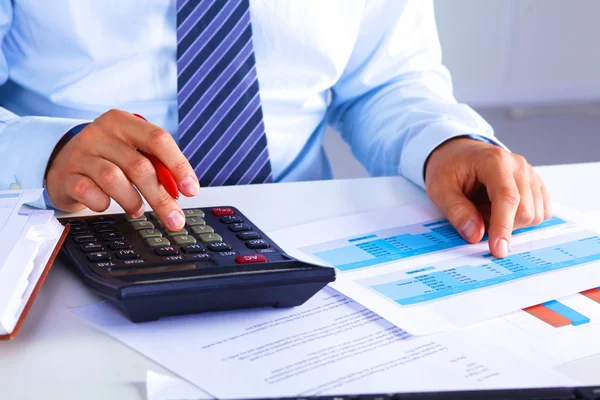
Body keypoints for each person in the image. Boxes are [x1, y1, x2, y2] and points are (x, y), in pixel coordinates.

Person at [0, 0, 550, 258]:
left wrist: (446, 143)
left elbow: (383, 79)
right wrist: (50, 152)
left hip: (295, 239)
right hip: (64, 230)